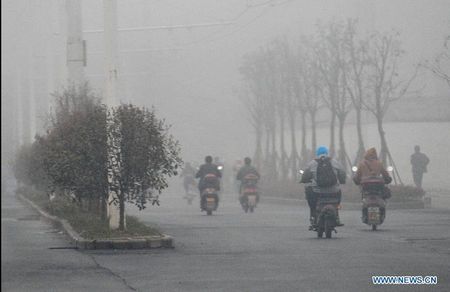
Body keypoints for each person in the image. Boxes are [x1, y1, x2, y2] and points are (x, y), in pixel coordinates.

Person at [300, 146, 346, 229]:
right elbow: (342, 173)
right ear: (327, 153)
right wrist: (342, 181)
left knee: (309, 193)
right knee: (338, 194)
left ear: (317, 154)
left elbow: (305, 177)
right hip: (334, 192)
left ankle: (313, 215)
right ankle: (337, 216)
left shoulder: (312, 163)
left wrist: (303, 180)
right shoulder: (334, 162)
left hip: (317, 192)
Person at [353, 147, 392, 222]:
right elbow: (385, 175)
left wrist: (357, 181)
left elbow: (357, 176)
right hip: (378, 188)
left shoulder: (362, 164)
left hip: (366, 187)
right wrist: (388, 180)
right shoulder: (379, 163)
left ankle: (365, 214)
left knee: (364, 198)